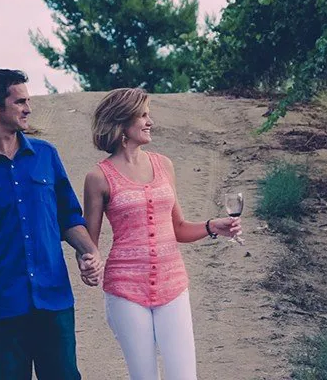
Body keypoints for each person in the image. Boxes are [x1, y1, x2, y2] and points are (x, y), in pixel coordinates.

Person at [0, 69, 104, 380]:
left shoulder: (46, 156)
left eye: (28, 100)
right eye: (20, 101)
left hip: (53, 300)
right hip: (2, 305)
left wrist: (89, 253)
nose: (28, 108)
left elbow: (68, 217)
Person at [84, 88, 242, 380]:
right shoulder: (98, 177)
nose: (150, 122)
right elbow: (88, 242)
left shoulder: (163, 165)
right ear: (122, 122)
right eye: (142, 115)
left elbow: (178, 228)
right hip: (125, 290)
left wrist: (211, 226)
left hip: (173, 285)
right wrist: (89, 262)